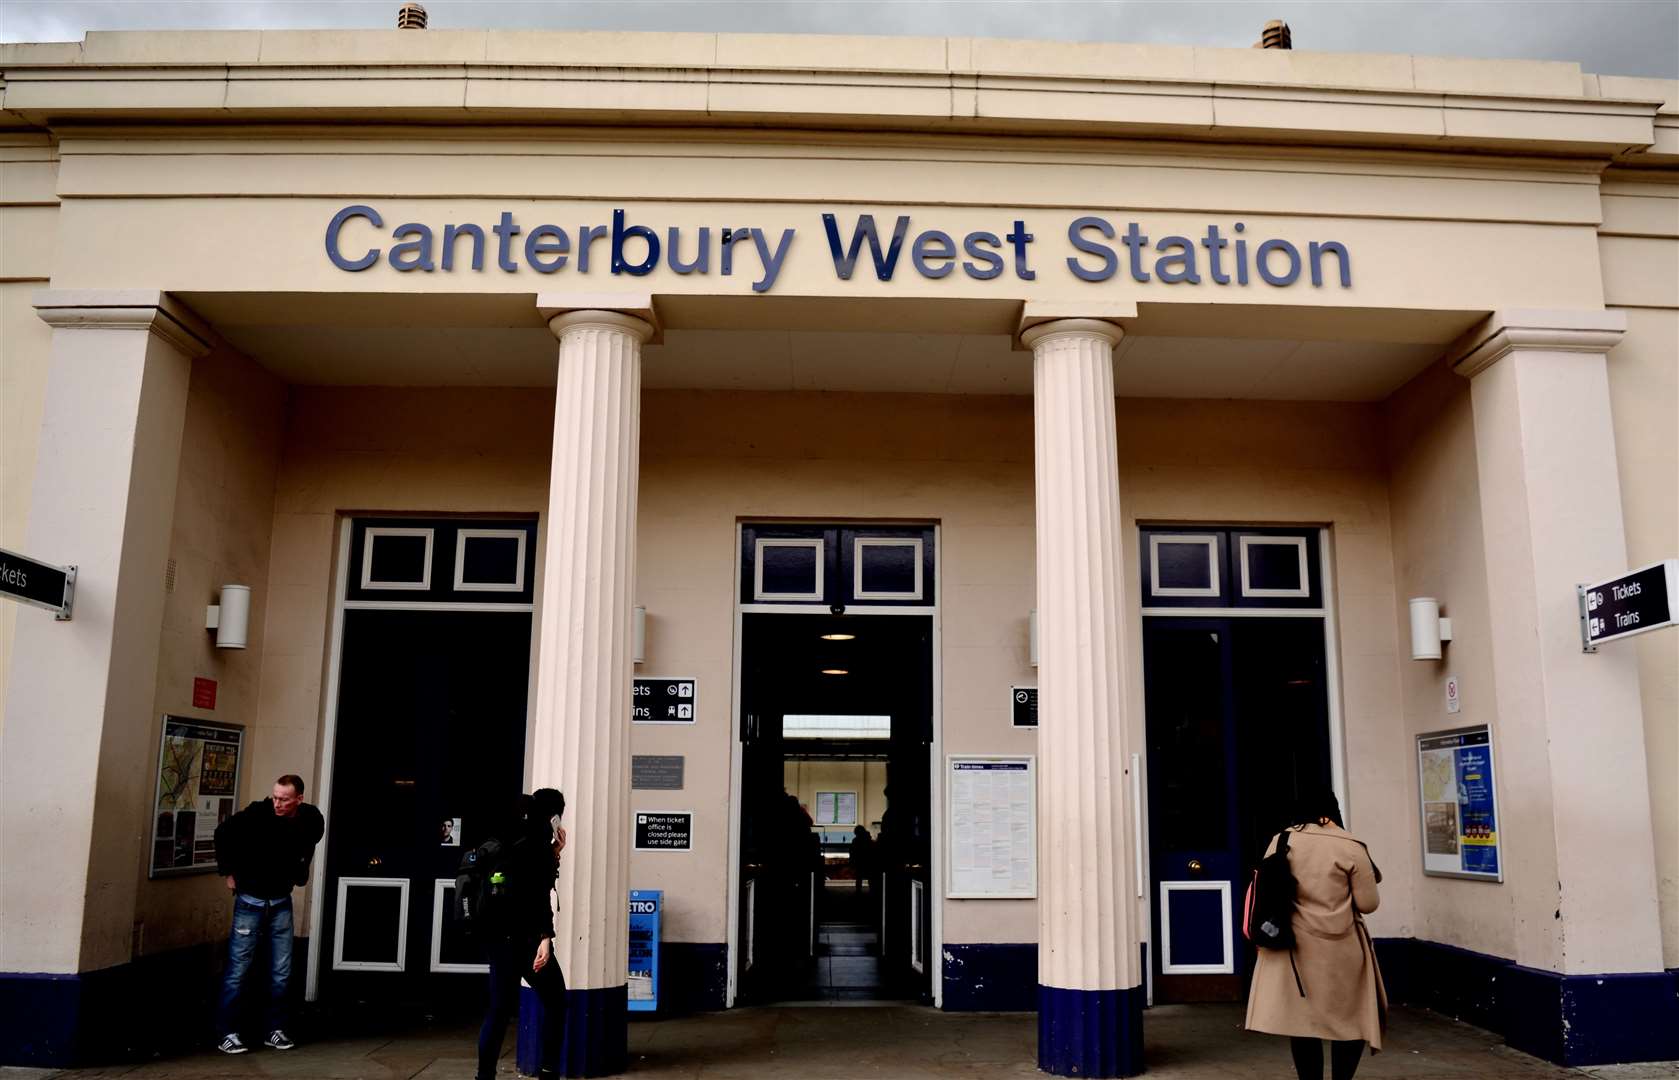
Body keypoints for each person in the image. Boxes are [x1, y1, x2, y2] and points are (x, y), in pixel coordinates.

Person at [1245, 789, 1387, 1080]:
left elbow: (1265, 890)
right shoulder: (1350, 846)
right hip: (1342, 949)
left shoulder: (1282, 840)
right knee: (1350, 1023)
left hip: (1294, 949)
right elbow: (1368, 904)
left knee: (1303, 1025)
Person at [212, 773, 325, 1055]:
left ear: (298, 799)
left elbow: (313, 836)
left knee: (281, 971)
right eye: (275, 797)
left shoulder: (308, 818)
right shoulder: (256, 814)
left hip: (280, 902)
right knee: (238, 969)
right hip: (250, 900)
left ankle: (275, 1029)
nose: (277, 803)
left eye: (284, 800)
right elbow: (222, 833)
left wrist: (300, 869)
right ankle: (227, 1032)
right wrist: (228, 872)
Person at [475, 788, 568, 1080]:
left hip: (495, 935)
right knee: (556, 1001)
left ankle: (484, 1075)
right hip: (525, 939)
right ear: (554, 816)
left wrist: (553, 853)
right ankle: (548, 1071)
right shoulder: (537, 843)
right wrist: (545, 938)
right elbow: (537, 896)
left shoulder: (510, 837)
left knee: (498, 1010)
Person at [848, 825, 875, 892]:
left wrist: (852, 863)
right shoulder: (869, 840)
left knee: (859, 878)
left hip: (859, 862)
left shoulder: (855, 841)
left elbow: (852, 852)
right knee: (870, 878)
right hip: (868, 862)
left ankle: (858, 892)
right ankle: (872, 891)